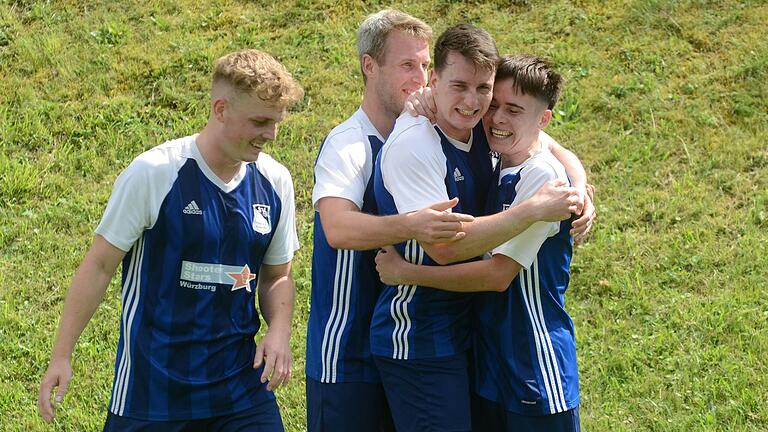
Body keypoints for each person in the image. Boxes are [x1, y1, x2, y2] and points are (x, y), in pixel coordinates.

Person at [305, 10, 590, 432]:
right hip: (412, 337)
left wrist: (579, 184)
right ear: (435, 84)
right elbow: (445, 248)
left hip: (465, 337)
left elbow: (535, 132)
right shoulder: (400, 141)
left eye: (484, 91)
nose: (475, 103)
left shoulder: (481, 130)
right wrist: (531, 209)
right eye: (457, 85)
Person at [37, 49, 304, 431]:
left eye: (276, 122)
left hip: (240, 391)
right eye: (260, 121)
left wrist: (279, 330)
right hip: (153, 393)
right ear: (220, 109)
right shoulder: (155, 174)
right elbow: (98, 266)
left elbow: (277, 275)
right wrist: (62, 354)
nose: (271, 135)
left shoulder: (276, 182)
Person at [376, 54, 582, 431]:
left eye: (514, 110)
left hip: (534, 359)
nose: (497, 118)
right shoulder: (498, 160)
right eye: (495, 105)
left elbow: (497, 275)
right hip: (492, 356)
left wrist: (408, 272)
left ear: (543, 120)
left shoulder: (542, 180)